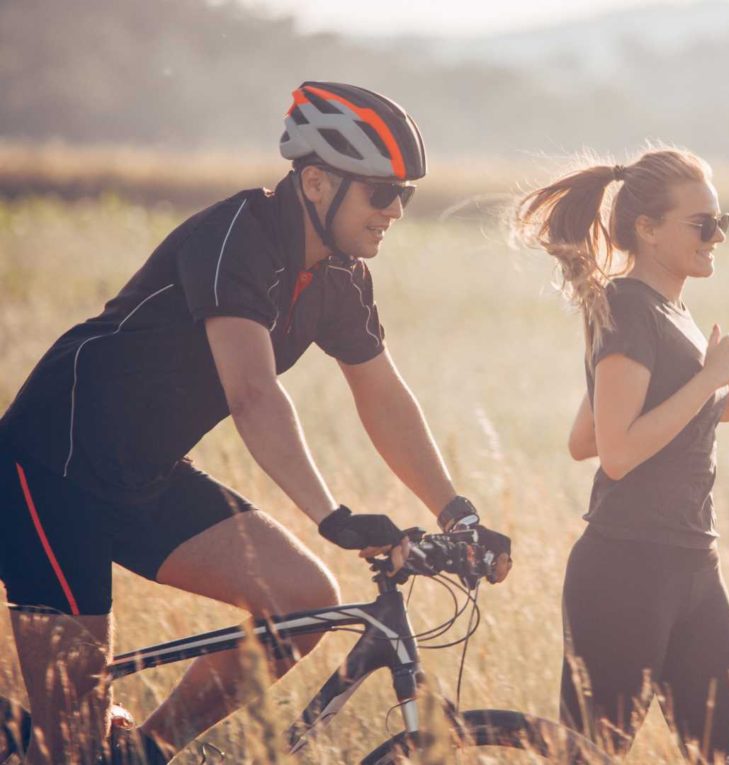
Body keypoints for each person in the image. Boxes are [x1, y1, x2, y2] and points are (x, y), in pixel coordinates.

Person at [0, 82, 510, 765]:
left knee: (300, 599)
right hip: (50, 468)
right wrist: (333, 516)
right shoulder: (235, 237)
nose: (394, 210)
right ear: (316, 181)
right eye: (379, 192)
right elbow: (253, 393)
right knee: (72, 751)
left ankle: (147, 751)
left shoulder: (340, 277)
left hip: (144, 473)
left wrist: (457, 512)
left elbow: (382, 394)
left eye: (405, 196)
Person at [515, 147, 729, 763]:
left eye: (720, 223)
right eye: (702, 225)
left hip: (692, 566)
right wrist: (707, 382)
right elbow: (616, 455)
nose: (716, 238)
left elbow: (588, 436)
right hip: (626, 569)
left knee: (728, 756)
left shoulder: (668, 310)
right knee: (589, 756)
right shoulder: (628, 305)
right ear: (647, 229)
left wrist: (712, 408)